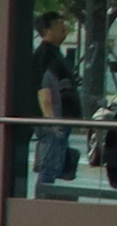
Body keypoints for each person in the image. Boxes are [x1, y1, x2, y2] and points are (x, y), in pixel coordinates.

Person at [27, 12, 83, 192]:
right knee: (49, 165)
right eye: (59, 24)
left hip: (59, 118)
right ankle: (41, 203)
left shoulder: (56, 54)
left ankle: (44, 199)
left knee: (54, 163)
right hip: (53, 119)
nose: (64, 27)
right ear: (46, 30)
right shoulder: (45, 56)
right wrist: (51, 120)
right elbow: (43, 90)